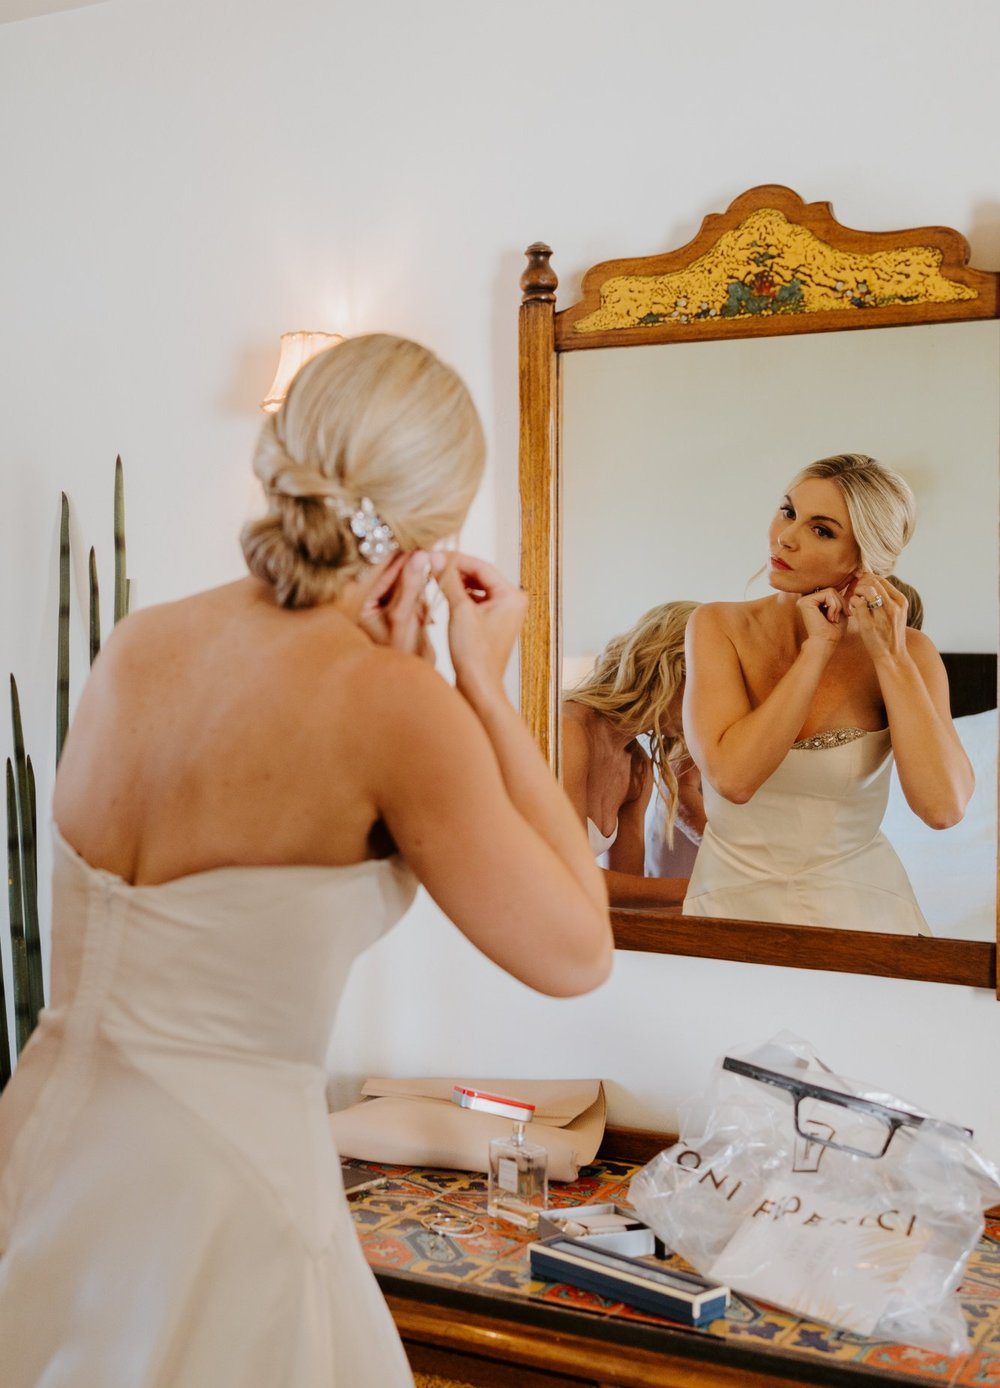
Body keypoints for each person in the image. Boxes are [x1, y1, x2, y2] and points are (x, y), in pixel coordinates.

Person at [0, 334, 612, 1387]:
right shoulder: (395, 708)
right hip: (221, 1193)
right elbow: (576, 952)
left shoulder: (138, 644)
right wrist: (481, 684)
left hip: (49, 1148)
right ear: (433, 533)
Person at [682, 452, 974, 932]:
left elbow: (943, 809)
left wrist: (890, 657)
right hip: (729, 911)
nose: (786, 537)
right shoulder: (717, 626)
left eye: (822, 530)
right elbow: (734, 779)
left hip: (866, 917)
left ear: (864, 557)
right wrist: (818, 649)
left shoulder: (912, 654)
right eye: (788, 511)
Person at [562, 601, 704, 909]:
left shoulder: (637, 769)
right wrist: (700, 889)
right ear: (672, 670)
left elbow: (629, 900)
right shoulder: (569, 731)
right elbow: (569, 875)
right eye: (707, 687)